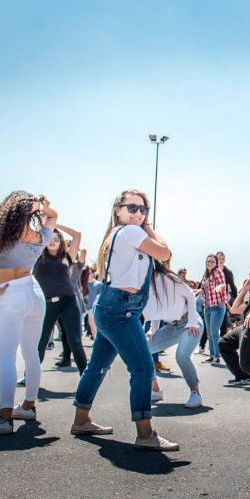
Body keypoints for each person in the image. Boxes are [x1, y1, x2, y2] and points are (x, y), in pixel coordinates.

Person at [70, 189, 179, 451]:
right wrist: (148, 226)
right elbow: (165, 253)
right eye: (132, 208)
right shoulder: (131, 232)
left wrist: (145, 224)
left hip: (111, 308)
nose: (138, 214)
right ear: (117, 210)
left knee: (96, 367)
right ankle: (145, 434)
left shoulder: (119, 234)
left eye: (143, 210)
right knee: (143, 369)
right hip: (121, 311)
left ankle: (81, 420)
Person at [0, 192, 57, 435]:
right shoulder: (39, 235)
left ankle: (4, 417)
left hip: (10, 294)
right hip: (34, 292)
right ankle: (29, 406)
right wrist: (42, 206)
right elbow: (54, 216)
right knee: (32, 354)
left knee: (6, 357)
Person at [145, 260, 204, 408]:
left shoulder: (170, 278)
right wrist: (153, 329)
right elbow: (155, 309)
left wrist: (191, 322)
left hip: (190, 323)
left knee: (181, 356)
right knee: (143, 351)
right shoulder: (145, 284)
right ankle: (155, 390)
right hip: (173, 326)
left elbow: (190, 294)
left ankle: (196, 393)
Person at [33, 226, 88, 373]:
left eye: (56, 239)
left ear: (61, 241)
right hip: (47, 304)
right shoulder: (37, 255)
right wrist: (48, 226)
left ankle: (87, 379)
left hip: (68, 302)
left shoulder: (67, 257)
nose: (52, 241)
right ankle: (30, 376)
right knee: (41, 342)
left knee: (75, 341)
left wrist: (57, 224)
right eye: (49, 238)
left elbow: (77, 234)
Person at [199, 254, 228, 365]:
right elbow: (204, 290)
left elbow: (222, 284)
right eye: (208, 261)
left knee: (214, 332)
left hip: (218, 307)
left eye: (212, 261)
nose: (210, 263)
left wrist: (220, 286)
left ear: (216, 263)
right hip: (207, 307)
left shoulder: (218, 272)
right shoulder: (206, 275)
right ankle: (212, 355)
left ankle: (217, 356)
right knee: (210, 333)